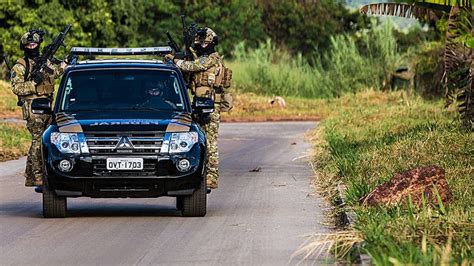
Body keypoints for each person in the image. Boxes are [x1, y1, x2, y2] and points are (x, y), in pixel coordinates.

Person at [165, 27, 232, 190]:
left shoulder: (212, 59)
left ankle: (212, 177)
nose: (201, 45)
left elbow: (192, 67)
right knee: (199, 139)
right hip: (199, 104)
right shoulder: (202, 58)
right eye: (199, 42)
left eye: (204, 43)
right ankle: (199, 173)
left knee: (211, 141)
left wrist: (176, 61)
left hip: (211, 105)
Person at [10, 30, 67, 189]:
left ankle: (34, 175)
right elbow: (16, 88)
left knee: (47, 139)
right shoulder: (20, 66)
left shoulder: (45, 61)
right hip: (33, 108)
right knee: (38, 140)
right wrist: (33, 83)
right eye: (29, 44)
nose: (32, 46)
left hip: (47, 105)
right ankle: (37, 176)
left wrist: (66, 63)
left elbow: (54, 74)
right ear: (24, 46)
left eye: (34, 44)